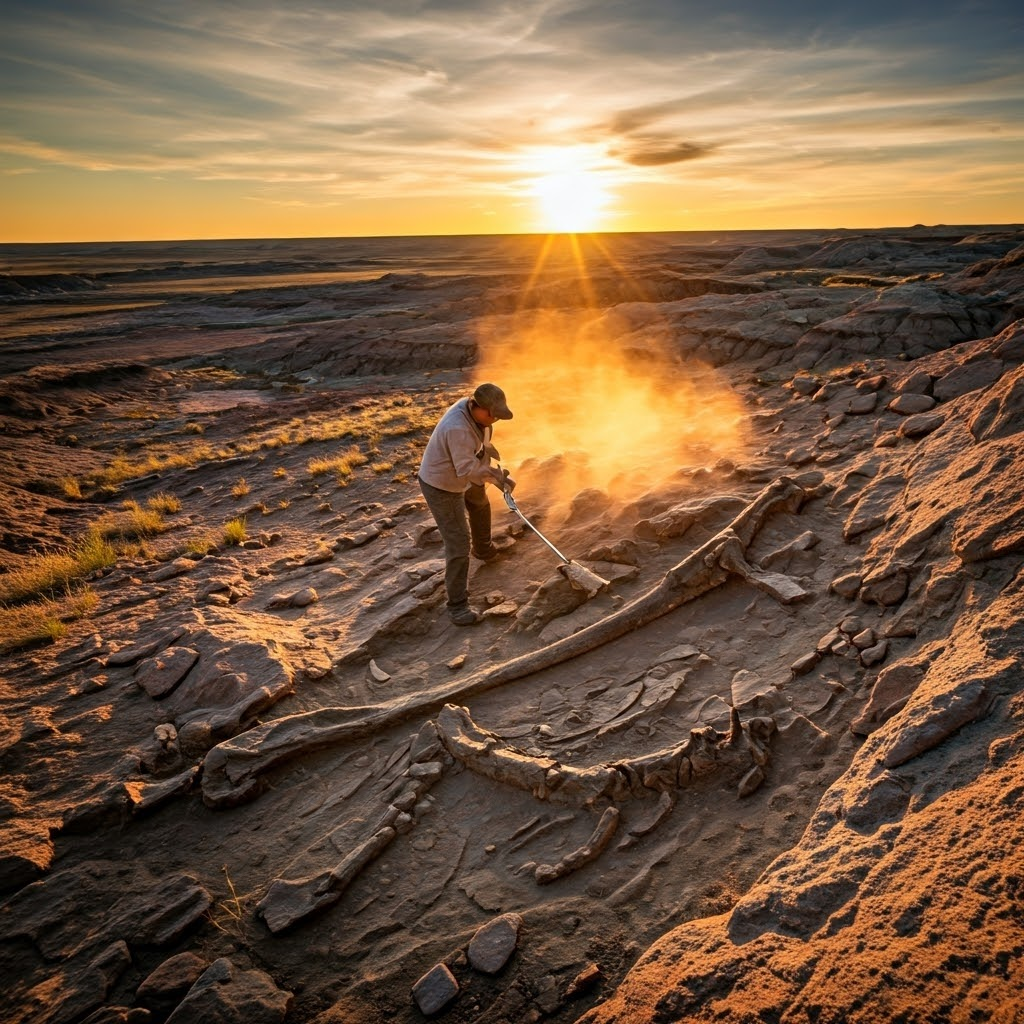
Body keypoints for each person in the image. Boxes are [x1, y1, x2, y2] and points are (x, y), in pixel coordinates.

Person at [418, 382, 516, 626]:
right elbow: (466, 469)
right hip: (442, 485)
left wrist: (488, 452)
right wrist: (496, 477)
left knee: (480, 505)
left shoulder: (476, 413)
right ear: (474, 406)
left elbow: (478, 445)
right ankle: (457, 606)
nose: (493, 419)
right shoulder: (457, 429)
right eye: (490, 414)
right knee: (458, 542)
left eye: (497, 415)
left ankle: (483, 549)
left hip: (464, 474)